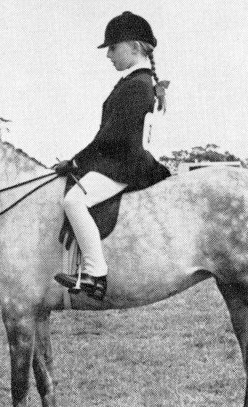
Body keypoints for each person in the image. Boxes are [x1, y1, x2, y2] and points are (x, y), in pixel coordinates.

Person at [53, 11, 171, 300]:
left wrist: (76, 161)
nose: (108, 55)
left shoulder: (137, 85)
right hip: (122, 161)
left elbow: (113, 137)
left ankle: (95, 274)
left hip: (125, 165)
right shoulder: (136, 81)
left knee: (73, 199)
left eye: (113, 48)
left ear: (134, 46)